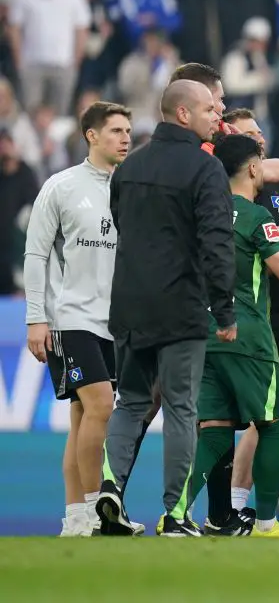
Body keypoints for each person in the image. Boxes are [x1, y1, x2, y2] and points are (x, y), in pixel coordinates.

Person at [176, 135, 279, 538]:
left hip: (204, 336)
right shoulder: (255, 217)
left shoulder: (200, 214)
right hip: (249, 335)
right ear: (254, 169)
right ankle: (267, 522)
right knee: (269, 423)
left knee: (213, 429)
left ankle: (175, 512)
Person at [96, 79, 235, 537]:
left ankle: (111, 487)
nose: (218, 117)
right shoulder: (205, 169)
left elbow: (122, 224)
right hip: (181, 307)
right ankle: (175, 514)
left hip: (130, 305)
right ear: (183, 115)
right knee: (180, 408)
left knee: (130, 402)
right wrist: (225, 311)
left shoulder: (128, 169)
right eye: (210, 110)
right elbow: (216, 244)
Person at [24, 101, 135, 537]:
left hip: (117, 322)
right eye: (116, 131)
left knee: (81, 418)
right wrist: (37, 318)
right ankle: (95, 510)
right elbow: (35, 252)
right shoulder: (62, 186)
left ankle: (74, 519)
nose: (125, 138)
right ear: (91, 135)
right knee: (102, 405)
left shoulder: (131, 188)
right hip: (71, 319)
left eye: (128, 131)